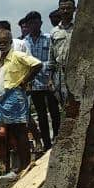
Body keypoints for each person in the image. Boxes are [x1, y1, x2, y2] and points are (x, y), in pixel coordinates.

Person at [0, 29, 42, 173]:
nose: (2, 45)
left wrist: (24, 81)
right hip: (2, 99)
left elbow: (37, 65)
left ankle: (25, 165)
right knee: (9, 132)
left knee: (20, 130)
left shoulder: (17, 55)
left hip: (14, 97)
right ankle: (13, 165)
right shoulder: (0, 58)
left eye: (5, 43)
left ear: (10, 42)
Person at [19, 12, 60, 151]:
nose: (33, 26)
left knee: (54, 113)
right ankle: (46, 144)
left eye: (35, 23)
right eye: (30, 24)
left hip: (49, 82)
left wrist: (44, 69)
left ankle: (57, 140)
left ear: (40, 23)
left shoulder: (48, 38)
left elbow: (54, 60)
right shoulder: (25, 42)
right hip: (34, 84)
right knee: (41, 115)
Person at [51, 0, 76, 104]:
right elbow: (51, 55)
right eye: (63, 9)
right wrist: (50, 78)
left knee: (76, 102)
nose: (65, 11)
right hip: (60, 73)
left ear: (74, 9)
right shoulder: (54, 31)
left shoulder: (80, 28)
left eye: (68, 8)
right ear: (59, 10)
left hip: (76, 71)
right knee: (63, 102)